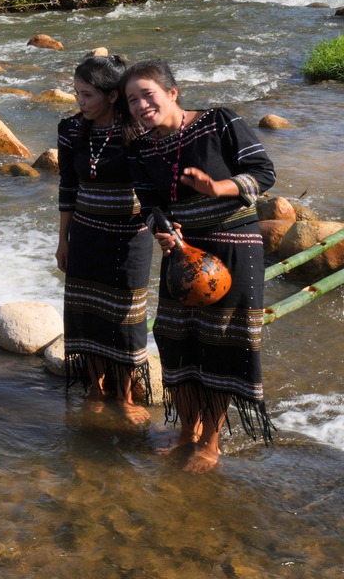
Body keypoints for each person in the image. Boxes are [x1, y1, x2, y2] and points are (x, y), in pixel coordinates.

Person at [123, 60, 276, 473]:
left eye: (148, 95)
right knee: (176, 339)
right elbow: (150, 205)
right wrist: (161, 229)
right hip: (182, 252)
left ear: (173, 92)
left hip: (234, 246)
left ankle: (211, 442)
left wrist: (218, 187)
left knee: (221, 343)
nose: (140, 106)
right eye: (132, 100)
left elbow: (264, 173)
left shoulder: (219, 121)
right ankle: (187, 431)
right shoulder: (141, 147)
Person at [56, 55, 153, 424]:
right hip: (85, 234)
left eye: (87, 95)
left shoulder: (140, 132)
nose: (80, 102)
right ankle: (96, 389)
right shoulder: (70, 130)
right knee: (87, 312)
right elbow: (68, 187)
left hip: (130, 239)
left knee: (126, 316)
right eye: (76, 93)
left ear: (113, 96)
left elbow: (156, 188)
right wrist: (63, 240)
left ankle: (126, 395)